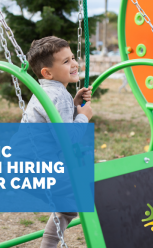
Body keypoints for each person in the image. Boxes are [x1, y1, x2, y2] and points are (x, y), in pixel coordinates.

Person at [23, 36, 93, 248]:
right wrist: (84, 117)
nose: (74, 64)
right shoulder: (59, 95)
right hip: (37, 165)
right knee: (74, 202)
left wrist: (74, 103)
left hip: (24, 162)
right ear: (47, 72)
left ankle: (51, 244)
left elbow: (54, 123)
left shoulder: (47, 91)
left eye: (72, 58)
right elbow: (66, 139)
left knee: (69, 205)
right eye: (65, 61)